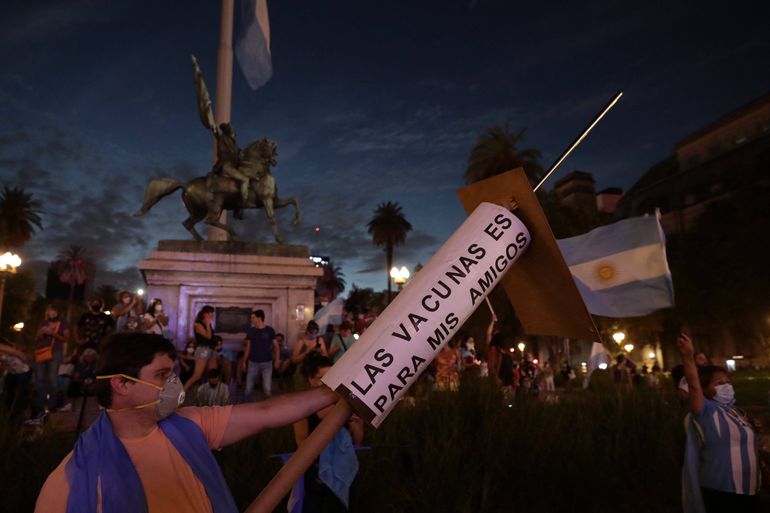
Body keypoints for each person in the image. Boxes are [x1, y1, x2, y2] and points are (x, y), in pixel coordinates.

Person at [34, 332, 338, 513]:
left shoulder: (189, 424)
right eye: (161, 375)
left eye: (173, 373)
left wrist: (335, 391)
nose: (175, 384)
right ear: (121, 384)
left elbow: (267, 413)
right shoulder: (68, 484)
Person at [677, 333, 761, 512]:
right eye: (718, 383)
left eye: (728, 382)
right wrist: (688, 356)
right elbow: (693, 385)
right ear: (706, 389)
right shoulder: (706, 410)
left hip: (750, 489)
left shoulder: (736, 412)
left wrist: (753, 428)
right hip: (721, 490)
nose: (726, 386)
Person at [293, 355, 363, 513]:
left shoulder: (344, 403)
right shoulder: (303, 407)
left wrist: (356, 422)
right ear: (310, 380)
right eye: (322, 378)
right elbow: (302, 444)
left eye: (332, 376)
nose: (329, 383)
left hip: (343, 470)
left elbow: (357, 440)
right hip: (315, 474)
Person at [34, 306, 70, 411]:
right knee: (40, 377)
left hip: (55, 351)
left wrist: (53, 334)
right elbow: (36, 338)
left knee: (52, 377)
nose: (52, 313)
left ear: (58, 312)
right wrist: (42, 332)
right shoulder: (43, 323)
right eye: (50, 312)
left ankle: (52, 404)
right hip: (42, 351)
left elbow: (66, 338)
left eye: (54, 311)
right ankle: (40, 404)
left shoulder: (63, 324)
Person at [242, 309, 277, 400]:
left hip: (267, 362)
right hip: (253, 362)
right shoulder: (251, 331)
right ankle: (246, 408)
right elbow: (248, 347)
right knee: (248, 388)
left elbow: (276, 346)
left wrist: (277, 359)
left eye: (253, 318)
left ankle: (268, 410)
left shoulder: (270, 330)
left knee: (267, 389)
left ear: (259, 318)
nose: (251, 320)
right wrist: (244, 361)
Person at [183, 305, 218, 393]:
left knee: (213, 373)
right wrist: (207, 325)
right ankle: (181, 393)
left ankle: (211, 396)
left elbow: (212, 339)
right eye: (211, 313)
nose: (212, 315)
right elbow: (208, 336)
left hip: (211, 350)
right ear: (205, 314)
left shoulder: (208, 324)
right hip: (203, 350)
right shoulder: (198, 324)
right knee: (197, 375)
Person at [0, 336, 32, 416]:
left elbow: (19, 354)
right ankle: (10, 416)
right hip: (12, 372)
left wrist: (23, 357)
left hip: (23, 371)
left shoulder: (3, 347)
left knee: (18, 395)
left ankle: (19, 414)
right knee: (8, 395)